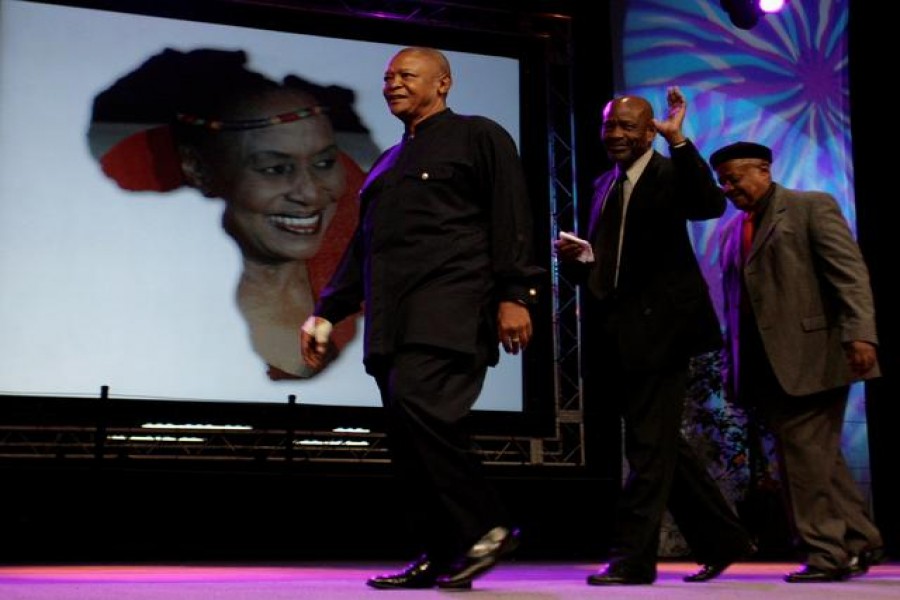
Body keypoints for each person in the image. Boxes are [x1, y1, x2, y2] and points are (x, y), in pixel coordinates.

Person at [301, 46, 543, 589]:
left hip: (451, 309)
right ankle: (442, 553)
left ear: (443, 83)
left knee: (421, 409)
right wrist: (326, 313)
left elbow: (512, 214)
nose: (393, 83)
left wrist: (515, 294)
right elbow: (364, 248)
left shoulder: (479, 135)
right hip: (393, 321)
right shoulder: (388, 162)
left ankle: (487, 526)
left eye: (407, 75)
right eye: (388, 77)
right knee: (407, 438)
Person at [554, 87, 755, 585]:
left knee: (647, 449)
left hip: (664, 333)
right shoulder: (604, 183)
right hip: (618, 335)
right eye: (610, 125)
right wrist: (578, 260)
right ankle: (724, 539)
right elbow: (609, 265)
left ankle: (633, 559)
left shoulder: (669, 172)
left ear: (649, 133)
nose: (615, 134)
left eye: (627, 126)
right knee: (661, 444)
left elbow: (708, 204)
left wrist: (679, 141)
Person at [89, 49, 376, 380]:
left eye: (324, 163)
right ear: (198, 169)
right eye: (274, 168)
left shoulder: (366, 285)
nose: (310, 193)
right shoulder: (154, 308)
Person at [710, 141, 884, 582]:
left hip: (814, 356)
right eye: (723, 181)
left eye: (734, 178)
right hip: (765, 366)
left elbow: (849, 275)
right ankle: (860, 539)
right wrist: (732, 366)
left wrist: (860, 334)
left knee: (804, 462)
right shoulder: (733, 231)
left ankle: (826, 554)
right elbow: (736, 308)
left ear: (763, 170)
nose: (728, 188)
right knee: (817, 459)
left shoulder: (810, 207)